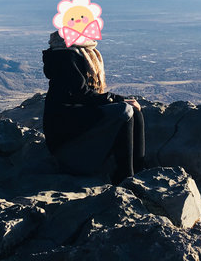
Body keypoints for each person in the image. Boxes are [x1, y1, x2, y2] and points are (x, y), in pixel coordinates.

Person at [42, 31, 145, 184]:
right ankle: (125, 176)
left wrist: (119, 100)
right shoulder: (65, 57)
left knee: (133, 111)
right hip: (68, 146)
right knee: (125, 110)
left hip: (78, 125)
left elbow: (88, 97)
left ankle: (140, 171)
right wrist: (118, 100)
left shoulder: (78, 53)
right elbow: (83, 94)